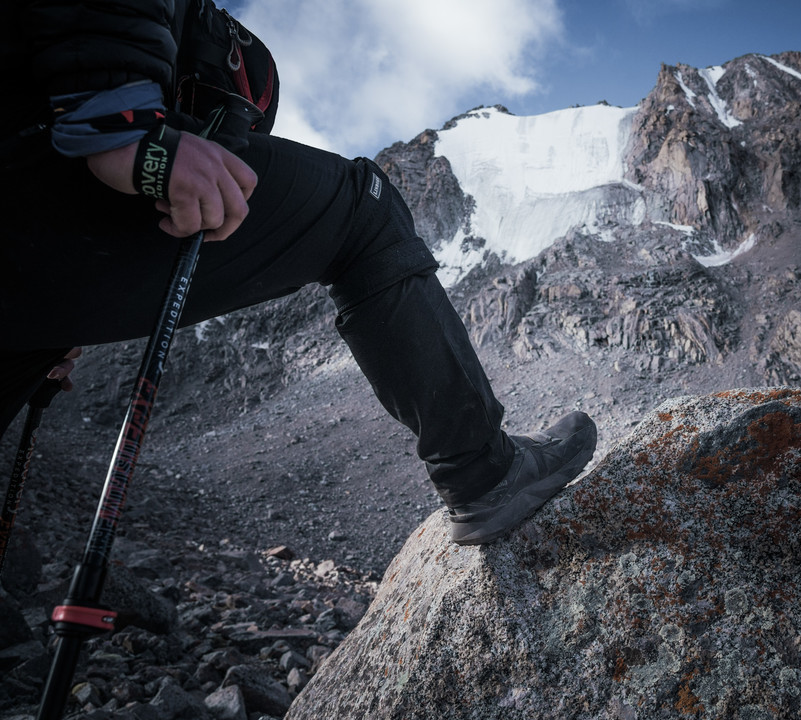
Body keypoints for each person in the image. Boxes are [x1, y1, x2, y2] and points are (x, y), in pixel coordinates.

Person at [0, 0, 596, 546]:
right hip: (53, 158)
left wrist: (60, 308)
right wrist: (122, 118)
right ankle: (484, 473)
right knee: (363, 209)